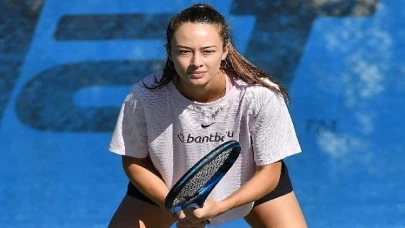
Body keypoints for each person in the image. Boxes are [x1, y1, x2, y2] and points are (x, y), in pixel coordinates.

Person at [107, 3, 307, 228]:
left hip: (250, 182)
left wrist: (221, 206)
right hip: (166, 185)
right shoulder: (143, 97)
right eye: (184, 51)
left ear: (225, 51)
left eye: (208, 51)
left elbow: (270, 172)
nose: (196, 62)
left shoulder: (260, 95)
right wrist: (174, 206)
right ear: (169, 53)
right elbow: (134, 160)